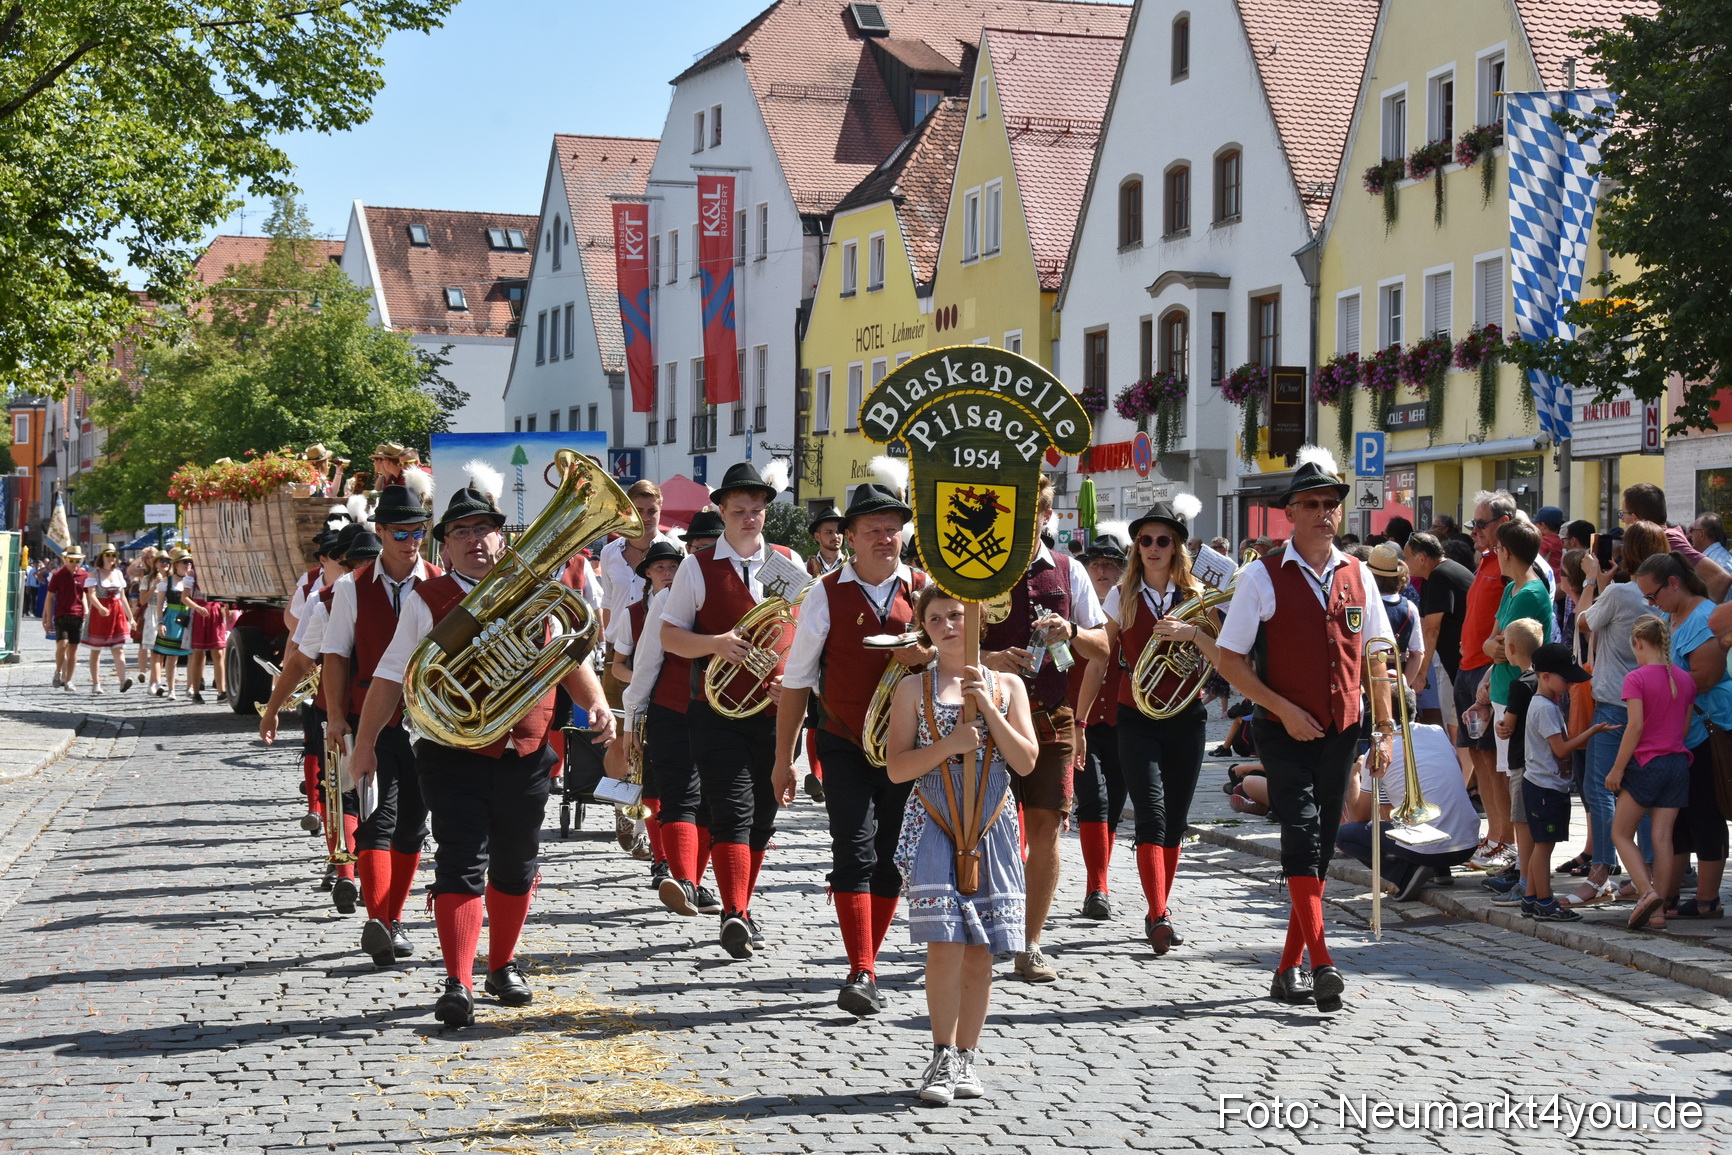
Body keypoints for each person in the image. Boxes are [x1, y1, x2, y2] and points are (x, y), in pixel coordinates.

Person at [350, 469, 615, 1027]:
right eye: (462, 531)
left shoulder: (541, 595)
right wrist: (366, 742)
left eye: (486, 529)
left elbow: (570, 659)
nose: (476, 540)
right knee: (460, 861)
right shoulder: (430, 599)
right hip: (451, 751)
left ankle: (502, 964)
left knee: (517, 863)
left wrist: (597, 704)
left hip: (526, 746)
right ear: (444, 545)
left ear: (503, 539)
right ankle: (458, 980)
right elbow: (391, 675)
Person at [1215, 447, 1394, 1013]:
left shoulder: (1359, 573)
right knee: (1302, 829)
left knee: (1316, 849)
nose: (1323, 512)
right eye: (1311, 503)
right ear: (1289, 512)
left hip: (1343, 728)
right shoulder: (1261, 577)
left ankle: (1288, 966)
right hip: (1281, 729)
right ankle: (1322, 961)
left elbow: (1376, 655)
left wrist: (1385, 729)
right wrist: (1281, 708)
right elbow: (1229, 659)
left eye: (1331, 504)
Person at [774, 483, 930, 1015]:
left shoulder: (924, 588)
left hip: (907, 747)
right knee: (854, 850)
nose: (886, 538)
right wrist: (784, 761)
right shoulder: (824, 593)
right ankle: (860, 969)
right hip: (842, 741)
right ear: (850, 538)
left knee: (890, 858)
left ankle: (870, 960)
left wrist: (927, 658)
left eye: (893, 529)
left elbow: (954, 656)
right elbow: (797, 681)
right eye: (873, 531)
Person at [886, 586, 1039, 1106]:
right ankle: (942, 1052)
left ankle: (969, 1055)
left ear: (977, 619)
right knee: (945, 942)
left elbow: (1025, 762)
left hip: (993, 821)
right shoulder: (912, 689)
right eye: (936, 619)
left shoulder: (1009, 685)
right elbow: (896, 767)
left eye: (957, 614)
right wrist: (949, 745)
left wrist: (988, 709)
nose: (949, 625)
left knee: (982, 950)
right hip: (935, 819)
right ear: (925, 629)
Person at [661, 461, 803, 959]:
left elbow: (805, 632)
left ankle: (738, 904)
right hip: (715, 709)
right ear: (720, 511)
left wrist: (795, 679)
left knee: (764, 814)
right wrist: (714, 643)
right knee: (731, 809)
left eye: (757, 510)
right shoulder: (696, 567)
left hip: (775, 710)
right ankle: (735, 912)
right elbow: (668, 635)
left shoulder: (786, 560)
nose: (749, 519)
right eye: (739, 510)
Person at [974, 476, 1106, 983]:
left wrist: (1071, 631)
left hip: (1053, 716)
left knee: (1047, 826)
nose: (1024, 522)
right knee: (986, 828)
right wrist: (988, 657)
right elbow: (938, 640)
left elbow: (1102, 648)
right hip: (990, 719)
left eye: (1035, 513)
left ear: (1047, 516)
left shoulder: (1070, 572)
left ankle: (1030, 943)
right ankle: (986, 929)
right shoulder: (977, 568)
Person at [1080, 496, 1214, 956]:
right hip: (1135, 716)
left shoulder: (1198, 597)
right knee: (1151, 814)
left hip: (1186, 717)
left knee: (1175, 819)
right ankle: (1158, 911)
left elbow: (1222, 658)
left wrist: (1193, 634)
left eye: (1162, 540)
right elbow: (1101, 658)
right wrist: (1080, 719)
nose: (1153, 547)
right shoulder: (1123, 595)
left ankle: (1160, 905)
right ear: (1136, 548)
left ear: (1176, 546)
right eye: (1145, 541)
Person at [320, 484, 443, 967]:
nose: (410, 541)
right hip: (371, 718)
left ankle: (392, 917)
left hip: (430, 723)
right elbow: (335, 657)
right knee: (376, 819)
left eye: (418, 532)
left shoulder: (440, 582)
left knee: (413, 825)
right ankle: (379, 919)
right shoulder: (351, 588)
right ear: (380, 531)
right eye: (400, 533)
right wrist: (334, 717)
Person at [620, 525, 721, 921]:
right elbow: (645, 664)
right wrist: (631, 724)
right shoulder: (664, 599)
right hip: (674, 709)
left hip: (726, 712)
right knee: (679, 795)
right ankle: (682, 879)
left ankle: (692, 881)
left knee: (714, 805)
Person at [1569, 521, 1664, 900]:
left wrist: (1592, 580)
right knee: (1642, 792)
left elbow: (1582, 620)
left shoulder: (1622, 592)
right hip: (1652, 700)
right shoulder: (1654, 595)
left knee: (1602, 787)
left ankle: (1600, 870)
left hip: (1613, 700)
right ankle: (1647, 874)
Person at [1633, 553, 1731, 921]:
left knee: (1705, 812)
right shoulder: (1668, 617)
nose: (1650, 603)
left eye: (1653, 594)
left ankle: (1707, 899)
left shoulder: (1705, 617)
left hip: (1707, 727)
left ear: (1674, 583)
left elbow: (1704, 677)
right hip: (1680, 732)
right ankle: (1668, 894)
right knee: (1678, 818)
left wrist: (1656, 686)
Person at [1336, 696, 1480, 901]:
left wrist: (1353, 777)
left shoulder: (1378, 753)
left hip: (1431, 848)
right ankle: (1439, 870)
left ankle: (1405, 874)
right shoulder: (1437, 732)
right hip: (1467, 844)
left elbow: (1359, 817)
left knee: (1343, 835)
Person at [1605, 616, 1696, 930]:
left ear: (1639, 643)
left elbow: (1635, 726)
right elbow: (1683, 728)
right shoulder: (1685, 679)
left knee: (1620, 832)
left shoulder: (1636, 678)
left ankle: (1647, 893)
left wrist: (1617, 768)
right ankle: (1659, 911)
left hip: (1646, 765)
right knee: (1662, 838)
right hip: (1677, 764)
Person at [609, 538, 687, 889]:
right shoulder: (633, 614)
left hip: (683, 704)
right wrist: (644, 683)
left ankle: (680, 859)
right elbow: (619, 667)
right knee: (649, 781)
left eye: (673, 566)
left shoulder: (690, 605)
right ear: (648, 575)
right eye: (660, 568)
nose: (668, 573)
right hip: (647, 703)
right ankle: (659, 856)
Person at [1518, 643, 1612, 921]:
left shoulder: (1546, 704)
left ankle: (1531, 898)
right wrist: (1591, 732)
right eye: (1566, 678)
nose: (1570, 684)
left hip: (1546, 785)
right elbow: (1560, 749)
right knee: (1544, 846)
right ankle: (1545, 902)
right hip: (1544, 788)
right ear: (1545, 676)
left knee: (1542, 844)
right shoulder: (1545, 708)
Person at [1456, 492, 1518, 872]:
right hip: (1469, 666)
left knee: (1495, 760)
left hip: (1487, 670)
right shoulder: (1486, 561)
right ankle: (1494, 834)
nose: (1474, 530)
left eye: (1481, 524)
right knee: (1479, 756)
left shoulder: (1511, 564)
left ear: (1504, 523)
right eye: (1473, 524)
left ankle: (1503, 838)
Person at [1070, 531, 1128, 920]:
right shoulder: (1073, 611)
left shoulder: (1134, 607)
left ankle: (1100, 881)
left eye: (1111, 564)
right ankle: (1097, 886)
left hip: (1125, 719)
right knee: (1094, 799)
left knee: (1117, 803)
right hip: (1080, 718)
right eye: (1096, 564)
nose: (1103, 571)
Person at [598, 480, 675, 707]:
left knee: (655, 731)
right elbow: (609, 601)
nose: (646, 517)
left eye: (653, 511)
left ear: (661, 509)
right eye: (639, 510)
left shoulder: (674, 550)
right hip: (617, 655)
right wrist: (608, 642)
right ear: (627, 511)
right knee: (615, 733)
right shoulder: (609, 552)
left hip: (657, 650)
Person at [1623, 482, 1731, 603]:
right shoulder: (1663, 537)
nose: (1623, 520)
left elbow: (1720, 577)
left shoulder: (1669, 539)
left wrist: (1698, 617)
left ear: (1636, 518)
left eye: (1623, 514)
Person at [151, 550, 205, 700]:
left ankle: (190, 687)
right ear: (176, 564)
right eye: (184, 562)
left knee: (192, 655)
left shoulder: (193, 581)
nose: (188, 565)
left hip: (190, 617)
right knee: (172, 656)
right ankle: (171, 689)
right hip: (172, 618)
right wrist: (160, 622)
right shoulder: (166, 582)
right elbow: (160, 603)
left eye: (189, 562)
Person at [81, 546, 135, 693]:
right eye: (108, 555)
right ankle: (96, 683)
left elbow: (123, 597)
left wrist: (131, 618)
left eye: (113, 555)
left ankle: (123, 680)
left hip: (116, 612)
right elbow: (91, 595)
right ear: (102, 557)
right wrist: (99, 607)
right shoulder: (94, 574)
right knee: (96, 649)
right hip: (100, 613)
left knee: (119, 648)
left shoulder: (118, 574)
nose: (111, 557)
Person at [45, 548, 89, 690]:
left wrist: (88, 611)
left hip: (78, 615)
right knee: (62, 645)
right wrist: (46, 617)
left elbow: (86, 595)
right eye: (72, 560)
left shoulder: (84, 575)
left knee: (73, 648)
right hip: (61, 614)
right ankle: (58, 671)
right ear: (65, 559)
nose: (75, 563)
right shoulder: (58, 575)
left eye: (78, 560)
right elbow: (50, 597)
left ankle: (69, 680)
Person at [806, 505, 847, 577]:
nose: (835, 536)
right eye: (829, 532)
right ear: (817, 536)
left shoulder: (853, 567)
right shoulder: (805, 569)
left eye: (838, 532)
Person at [1534, 507, 1566, 572]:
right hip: (1557, 576)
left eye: (1536, 524)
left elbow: (1534, 559)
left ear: (1543, 525)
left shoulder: (1545, 541)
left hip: (1547, 577)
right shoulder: (1559, 540)